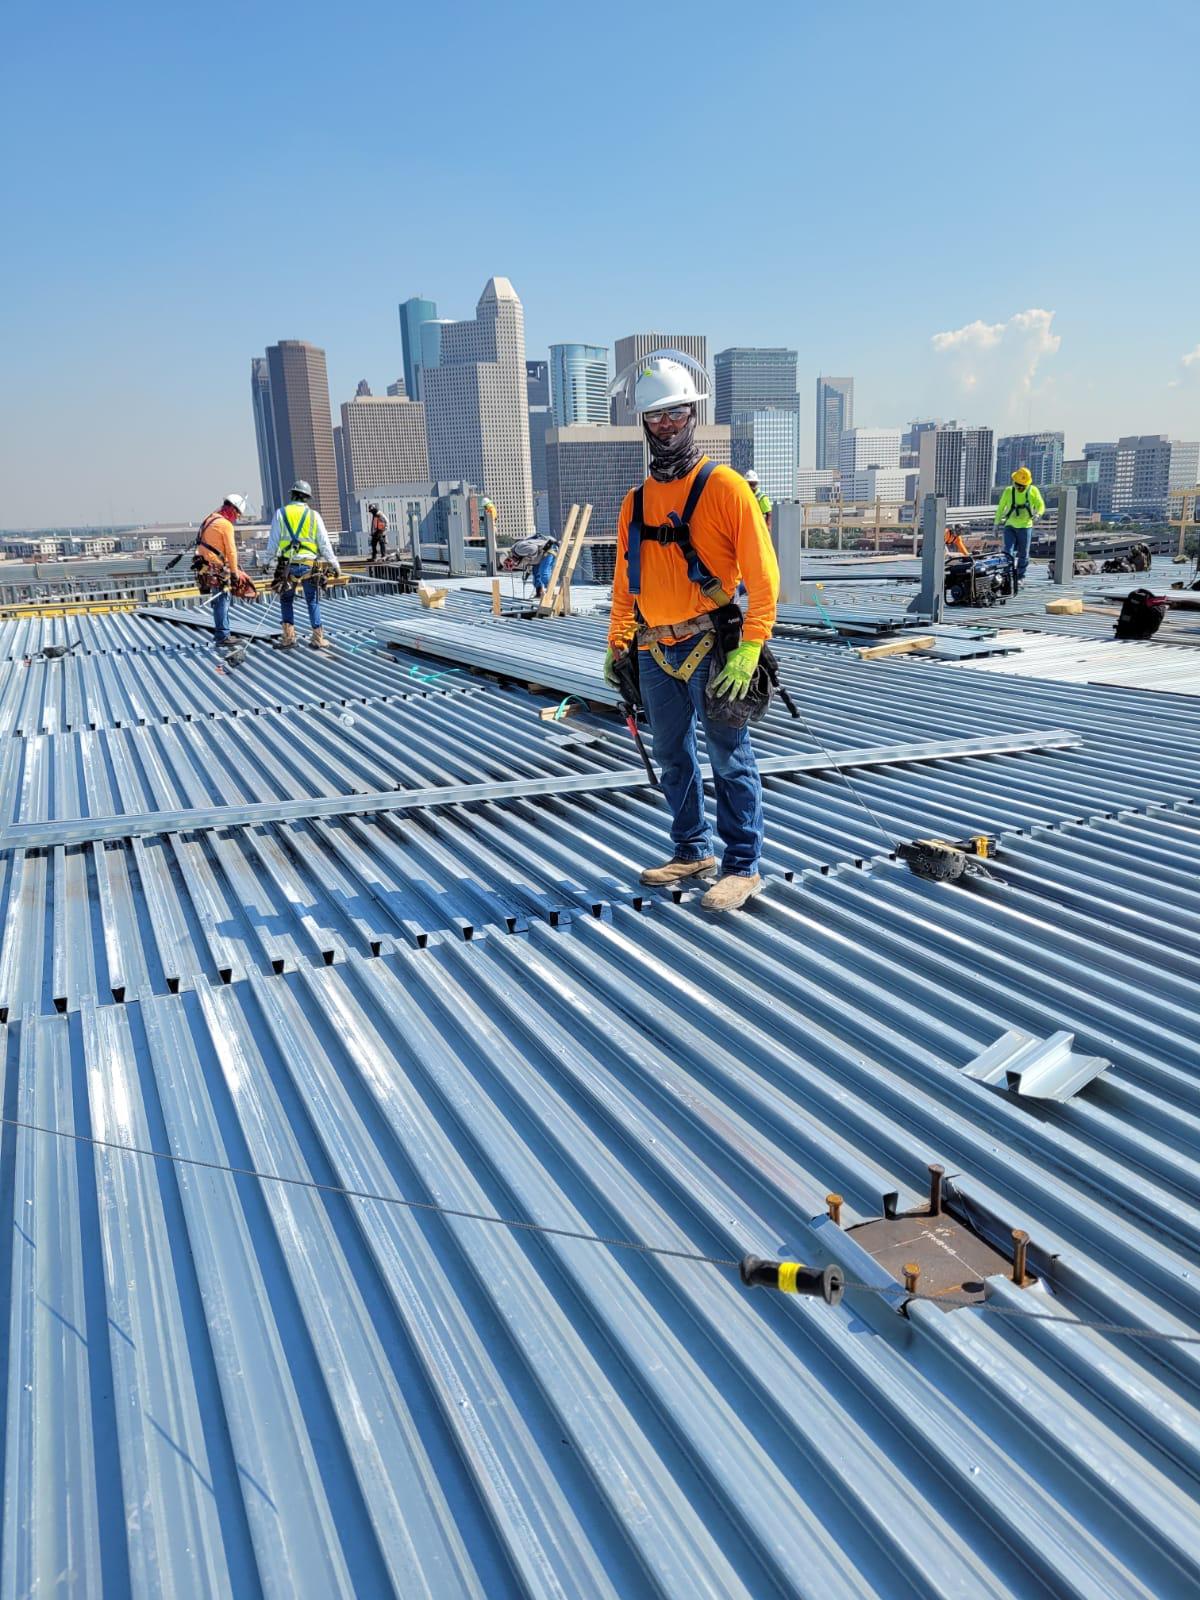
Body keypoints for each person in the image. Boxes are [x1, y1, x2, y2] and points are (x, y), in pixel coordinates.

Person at [605, 354, 780, 913]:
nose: (666, 425)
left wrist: (750, 646)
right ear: (644, 423)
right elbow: (624, 583)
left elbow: (764, 578)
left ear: (693, 414)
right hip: (656, 647)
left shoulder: (725, 487)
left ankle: (741, 864)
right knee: (673, 755)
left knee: (729, 755)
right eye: (655, 416)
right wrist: (617, 642)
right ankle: (691, 850)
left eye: (676, 413)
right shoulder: (634, 502)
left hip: (711, 644)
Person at [266, 480, 342, 650]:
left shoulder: (281, 513)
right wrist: (335, 565)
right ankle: (317, 638)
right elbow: (324, 543)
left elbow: (273, 541)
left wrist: (266, 561)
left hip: (287, 566)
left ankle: (288, 638)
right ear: (307, 497)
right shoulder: (314, 516)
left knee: (286, 600)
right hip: (309, 565)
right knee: (312, 601)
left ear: (292, 494)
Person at [194, 493, 250, 651]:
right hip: (216, 567)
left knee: (218, 598)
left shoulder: (210, 518)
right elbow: (231, 551)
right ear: (233, 508)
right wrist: (234, 572)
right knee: (223, 599)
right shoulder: (225, 524)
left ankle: (222, 633)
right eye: (238, 513)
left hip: (204, 565)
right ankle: (223, 635)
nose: (237, 517)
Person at [994, 467, 1045, 581]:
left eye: (1023, 486)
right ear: (1014, 483)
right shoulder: (1008, 491)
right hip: (1010, 525)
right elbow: (1001, 508)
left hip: (1025, 526)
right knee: (1008, 551)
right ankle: (1007, 575)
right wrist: (996, 524)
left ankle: (1020, 576)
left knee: (1023, 553)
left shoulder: (1033, 490)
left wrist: (1038, 514)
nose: (1020, 488)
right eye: (1018, 485)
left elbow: (1040, 504)